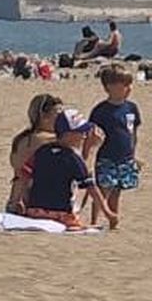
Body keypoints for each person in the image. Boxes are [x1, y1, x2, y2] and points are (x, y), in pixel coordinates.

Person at [16, 106, 116, 229]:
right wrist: (108, 213)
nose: (84, 136)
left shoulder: (41, 152)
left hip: (34, 212)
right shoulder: (72, 158)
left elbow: (24, 176)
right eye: (81, 132)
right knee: (80, 190)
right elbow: (91, 187)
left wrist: (20, 199)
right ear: (68, 135)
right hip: (61, 215)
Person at [88, 63, 141, 226]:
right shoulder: (101, 111)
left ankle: (113, 220)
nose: (129, 88)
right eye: (124, 85)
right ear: (109, 87)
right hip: (106, 156)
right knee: (104, 189)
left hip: (125, 157)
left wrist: (133, 154)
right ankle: (94, 221)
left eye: (129, 84)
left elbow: (132, 132)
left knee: (117, 190)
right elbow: (92, 135)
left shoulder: (131, 108)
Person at [7, 94, 66, 214]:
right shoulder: (48, 140)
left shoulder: (21, 139)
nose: (63, 119)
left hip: (15, 200)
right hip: (33, 202)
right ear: (44, 116)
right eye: (58, 115)